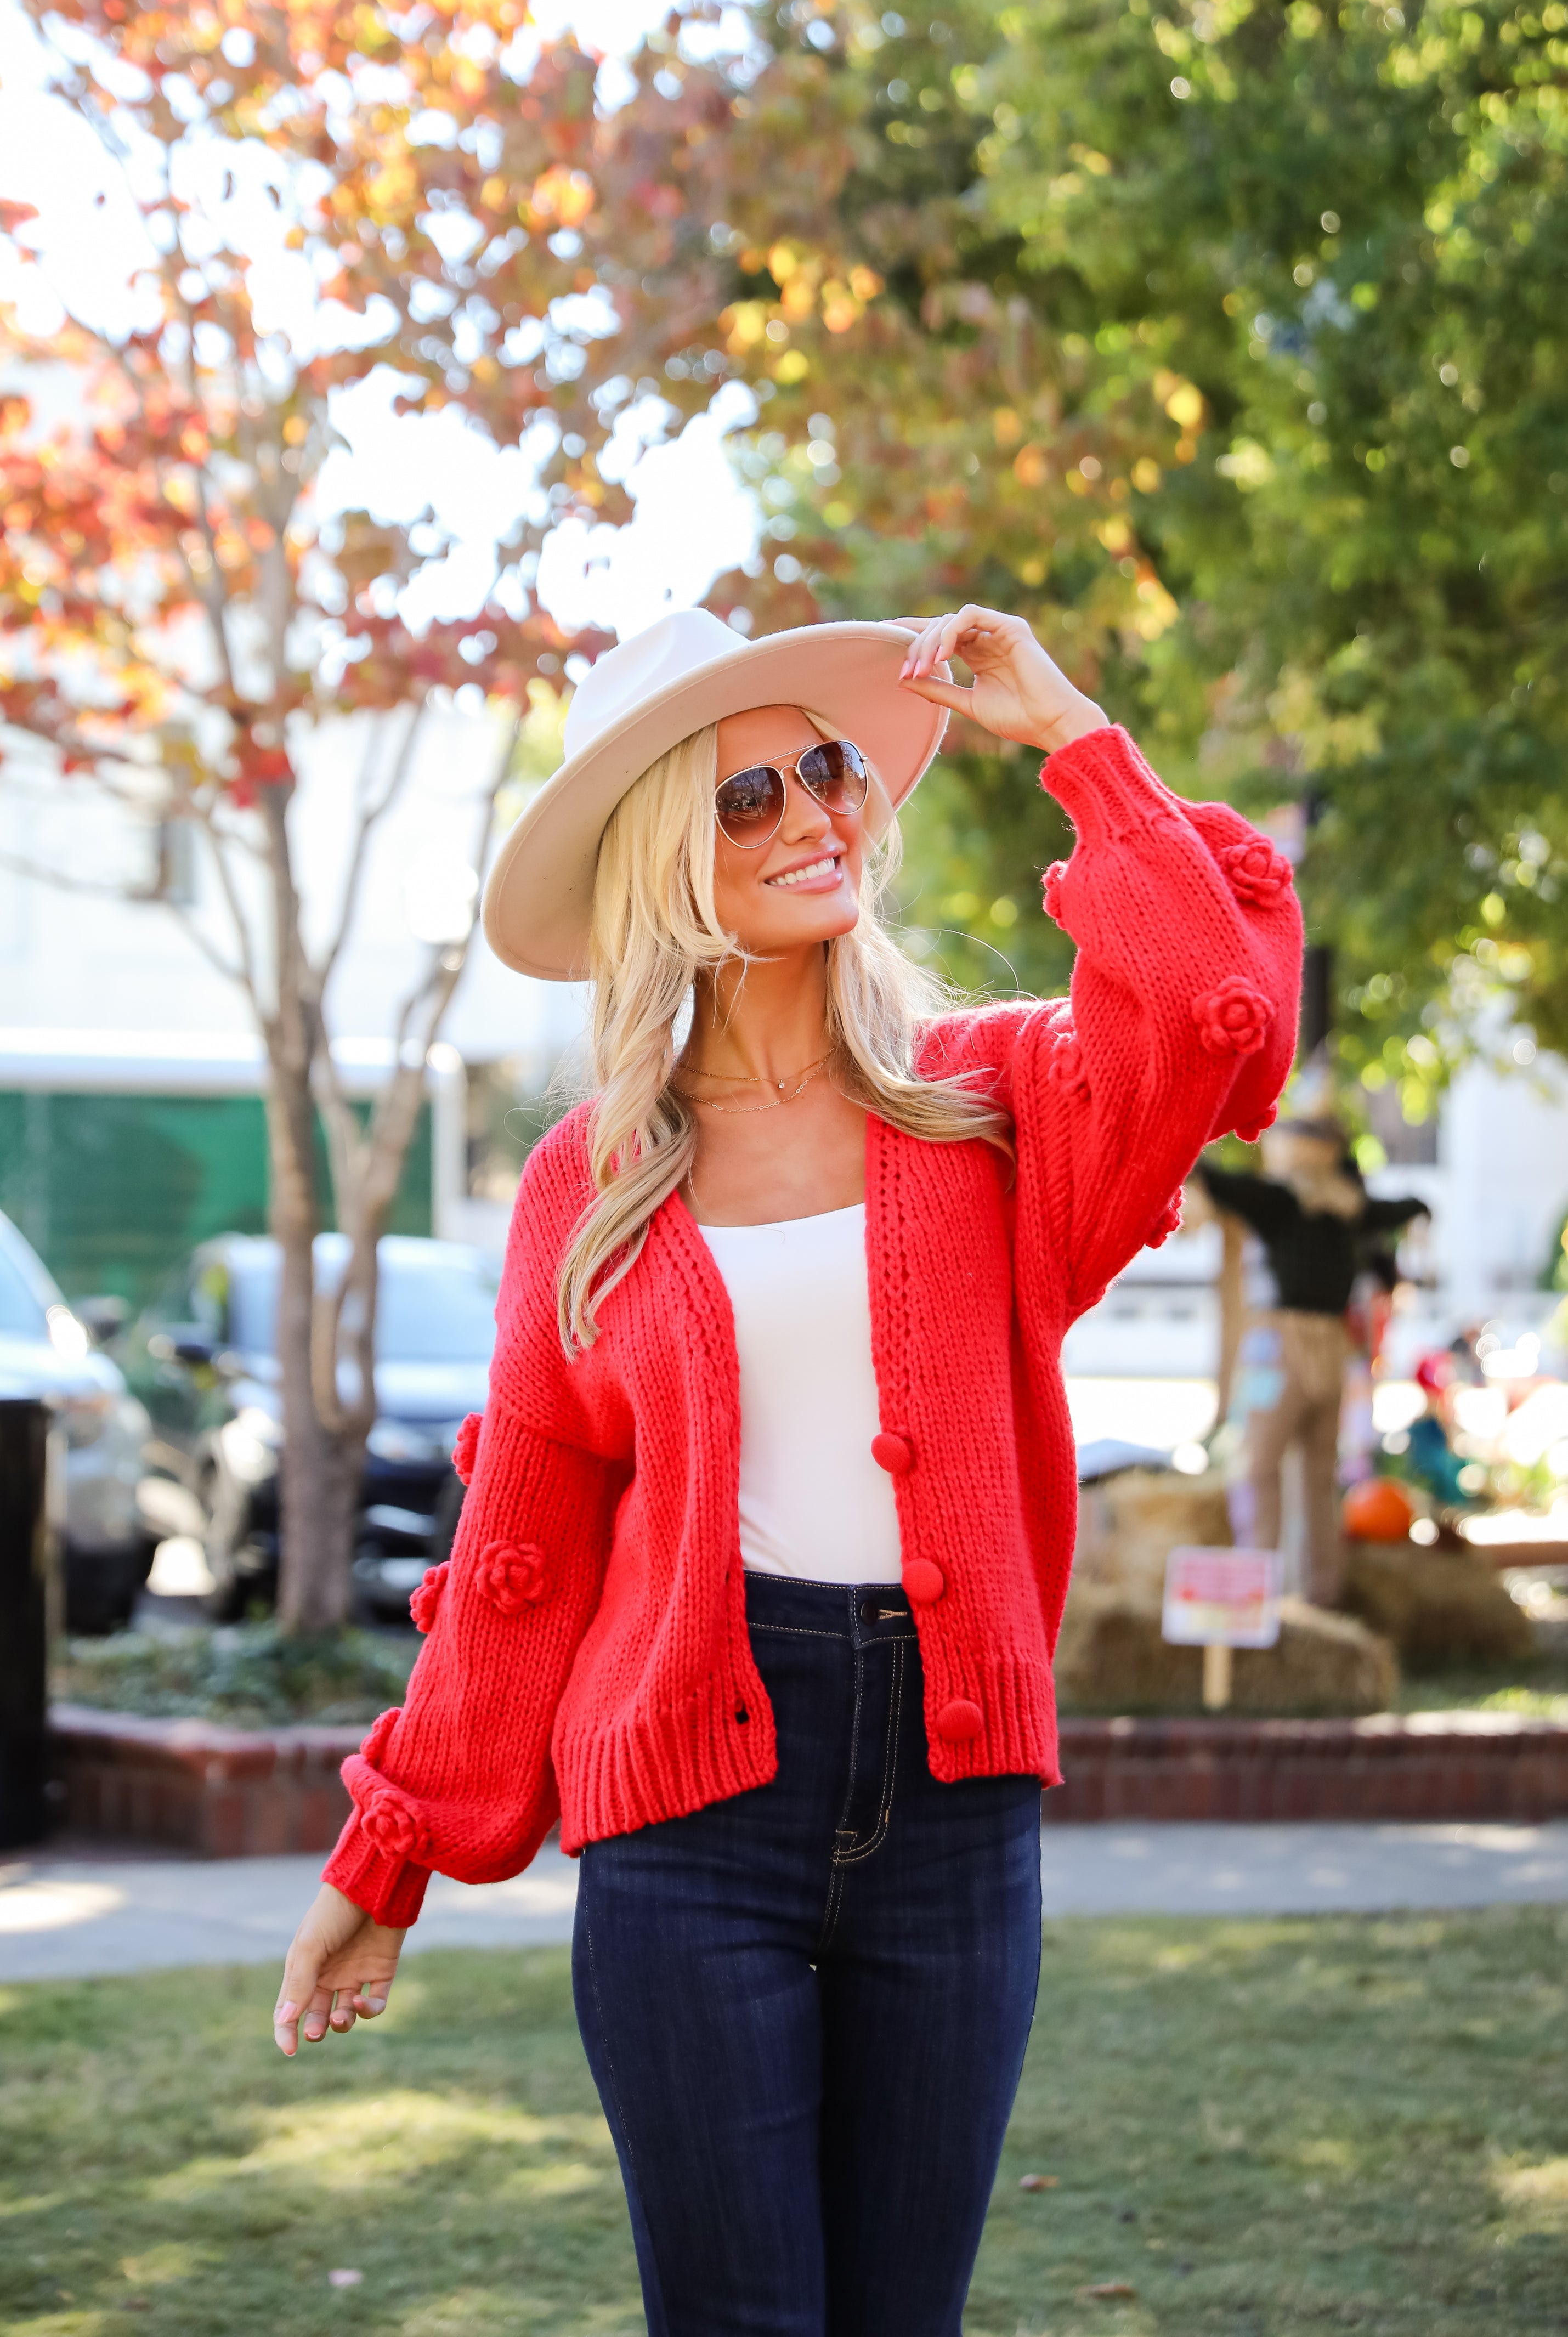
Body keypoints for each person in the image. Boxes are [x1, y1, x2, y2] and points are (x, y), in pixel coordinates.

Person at [272, 603, 1301, 2337]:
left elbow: (1209, 1018)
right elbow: (519, 1554)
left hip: (955, 1806)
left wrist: (1067, 729)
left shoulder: (989, 1103)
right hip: (689, 1816)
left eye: (821, 770)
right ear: (667, 858)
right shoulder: (585, 1183)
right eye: (745, 797)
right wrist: (383, 1861)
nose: (811, 813)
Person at [1195, 1118, 1430, 1603]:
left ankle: (1259, 1593)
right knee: (1316, 1473)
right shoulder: (1348, 1207)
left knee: (1260, 1467)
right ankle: (1317, 1591)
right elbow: (1407, 1207)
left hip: (1284, 1350)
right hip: (1327, 1350)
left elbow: (1216, 1179)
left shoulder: (1285, 1202)